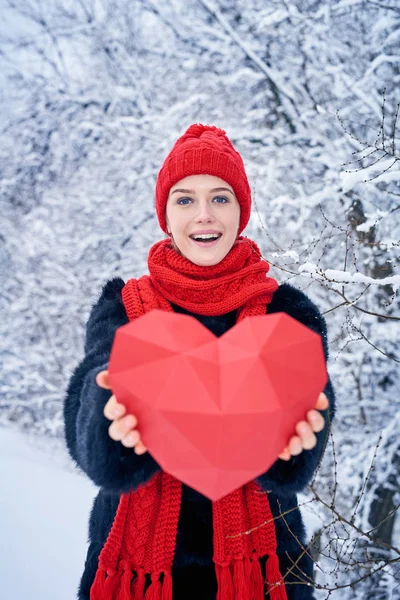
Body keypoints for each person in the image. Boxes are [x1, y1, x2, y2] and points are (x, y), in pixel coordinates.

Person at [63, 123, 336, 600]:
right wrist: (106, 415)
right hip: (141, 575)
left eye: (221, 198)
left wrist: (294, 445)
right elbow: (89, 397)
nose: (204, 215)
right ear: (165, 214)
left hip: (265, 569)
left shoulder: (285, 313)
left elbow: (310, 410)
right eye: (185, 199)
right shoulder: (123, 307)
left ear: (241, 210)